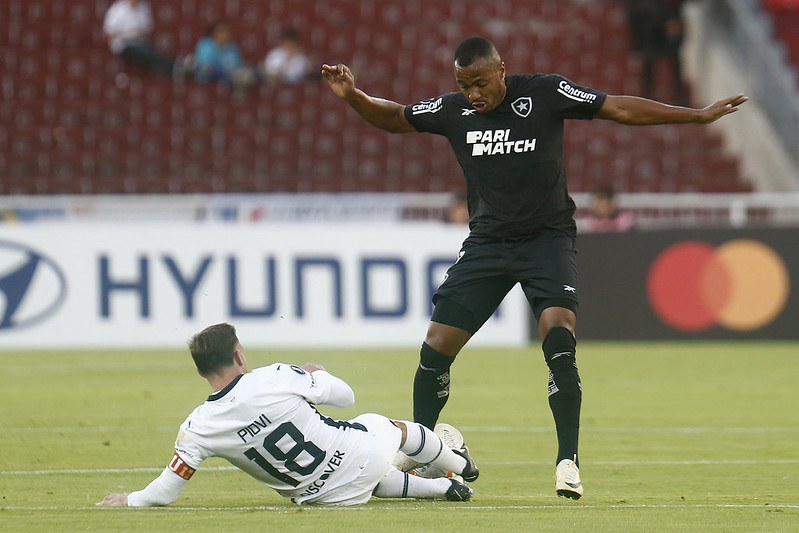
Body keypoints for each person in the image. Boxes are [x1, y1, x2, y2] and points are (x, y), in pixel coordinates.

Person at [322, 36, 747, 500]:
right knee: (436, 346)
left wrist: (698, 115)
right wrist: (355, 98)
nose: (474, 94)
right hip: (487, 244)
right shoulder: (453, 110)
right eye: (465, 86)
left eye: (481, 83)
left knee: (559, 335)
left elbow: (618, 109)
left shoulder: (545, 93)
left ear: (502, 69)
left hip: (546, 241)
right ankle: (424, 450)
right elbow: (395, 117)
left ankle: (568, 461)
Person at [96, 323, 478, 507]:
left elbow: (165, 491)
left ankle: (445, 488)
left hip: (320, 497)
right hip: (360, 455)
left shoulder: (197, 428)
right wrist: (317, 374)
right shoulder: (274, 377)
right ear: (239, 356)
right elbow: (346, 397)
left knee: (372, 479)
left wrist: (130, 501)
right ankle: (459, 462)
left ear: (200, 372)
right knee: (384, 425)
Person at [624, 0, 688, 105]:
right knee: (649, 64)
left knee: (674, 63)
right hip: (649, 31)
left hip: (666, 31)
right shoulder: (640, 7)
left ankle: (679, 97)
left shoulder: (671, 9)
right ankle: (646, 98)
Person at [102, 0, 176, 77]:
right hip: (124, 45)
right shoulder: (117, 9)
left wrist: (137, 32)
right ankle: (172, 68)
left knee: (152, 51)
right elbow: (107, 33)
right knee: (147, 54)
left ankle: (173, 66)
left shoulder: (143, 7)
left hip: (141, 42)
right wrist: (128, 32)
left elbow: (147, 30)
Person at [194, 20, 256, 91]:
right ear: (214, 33)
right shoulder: (206, 45)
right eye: (221, 32)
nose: (225, 34)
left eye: (226, 31)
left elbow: (238, 65)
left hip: (230, 80)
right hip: (209, 80)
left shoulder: (232, 48)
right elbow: (205, 67)